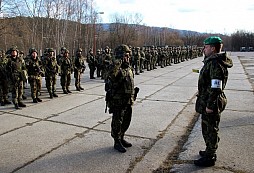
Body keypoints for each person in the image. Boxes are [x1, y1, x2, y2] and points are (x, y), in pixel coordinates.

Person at [194, 36, 233, 167]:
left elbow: (216, 87)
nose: (203, 49)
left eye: (205, 47)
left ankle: (210, 156)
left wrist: (210, 105)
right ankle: (209, 150)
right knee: (207, 128)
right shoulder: (211, 61)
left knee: (211, 129)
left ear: (213, 48)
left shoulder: (216, 64)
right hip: (207, 100)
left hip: (212, 103)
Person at [105, 44, 139, 153]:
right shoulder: (115, 68)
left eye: (128, 55)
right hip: (118, 100)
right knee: (117, 121)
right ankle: (116, 141)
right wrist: (117, 61)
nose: (128, 57)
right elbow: (112, 75)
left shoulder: (128, 67)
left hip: (128, 99)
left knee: (126, 120)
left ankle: (122, 137)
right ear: (120, 56)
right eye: (125, 55)